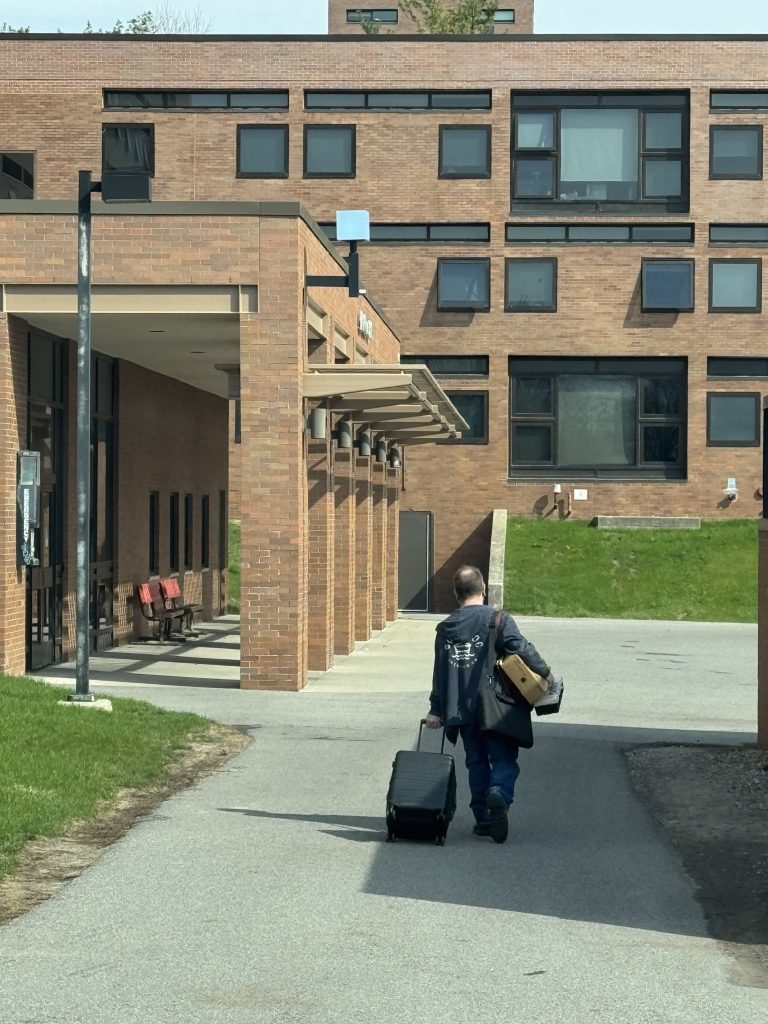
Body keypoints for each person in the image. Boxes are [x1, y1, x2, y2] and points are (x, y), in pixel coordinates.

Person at [426, 564, 555, 845]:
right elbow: (520, 647)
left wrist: (436, 709)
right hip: (498, 704)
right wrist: (545, 673)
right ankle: (499, 793)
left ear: (455, 594)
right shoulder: (498, 619)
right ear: (483, 589)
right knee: (503, 759)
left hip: (462, 710)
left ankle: (483, 818)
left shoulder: (445, 629)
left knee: (476, 763)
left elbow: (440, 673)